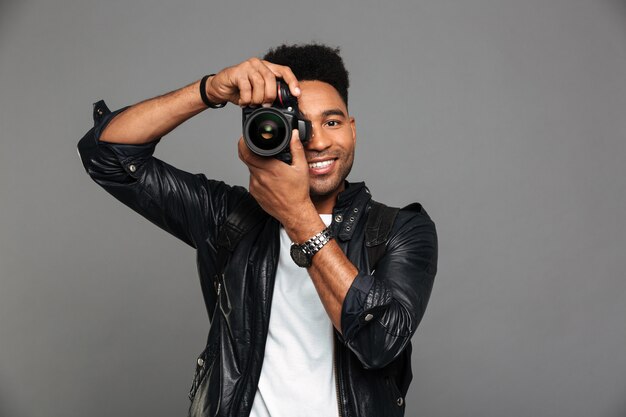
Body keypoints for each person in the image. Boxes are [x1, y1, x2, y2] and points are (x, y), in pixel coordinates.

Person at [77, 43, 437, 417]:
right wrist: (209, 90)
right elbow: (105, 156)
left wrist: (298, 216)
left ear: (352, 129)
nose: (316, 142)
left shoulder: (399, 230)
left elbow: (380, 342)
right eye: (298, 125)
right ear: (269, 132)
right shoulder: (229, 218)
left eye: (331, 122)